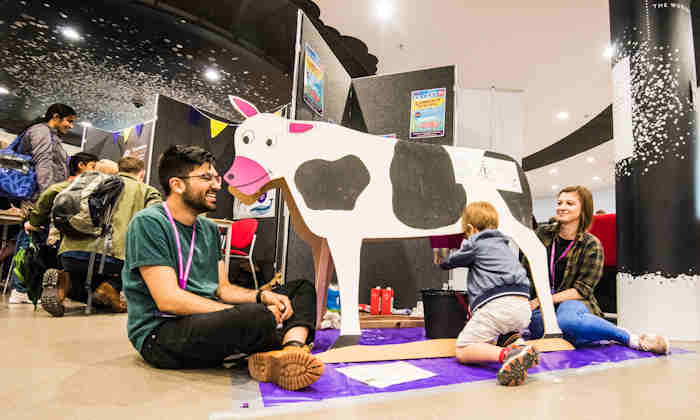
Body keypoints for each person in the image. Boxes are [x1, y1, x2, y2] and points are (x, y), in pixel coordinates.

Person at [122, 145, 323, 390]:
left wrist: (261, 295)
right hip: (162, 333)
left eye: (216, 178)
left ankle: (289, 351)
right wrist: (235, 313)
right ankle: (273, 342)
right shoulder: (149, 223)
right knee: (256, 316)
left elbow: (222, 288)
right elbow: (168, 300)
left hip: (208, 321)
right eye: (206, 178)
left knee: (299, 288)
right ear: (177, 184)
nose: (217, 185)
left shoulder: (207, 229)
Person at [527, 185, 669, 354]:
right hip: (540, 303)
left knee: (566, 322)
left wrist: (543, 300)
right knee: (539, 329)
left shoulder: (591, 244)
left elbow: (582, 290)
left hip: (573, 301)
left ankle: (630, 338)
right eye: (559, 202)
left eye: (569, 203)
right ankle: (591, 332)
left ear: (583, 210)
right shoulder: (541, 234)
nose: (562, 207)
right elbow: (525, 271)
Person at [40, 156, 162, 316]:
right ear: (142, 173)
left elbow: (51, 192)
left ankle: (65, 281)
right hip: (112, 257)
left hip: (69, 254)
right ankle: (111, 287)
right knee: (134, 269)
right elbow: (156, 221)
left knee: (82, 272)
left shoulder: (91, 181)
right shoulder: (146, 190)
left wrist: (34, 221)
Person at [439, 201, 539, 386]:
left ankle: (508, 355)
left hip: (497, 306)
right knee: (505, 334)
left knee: (463, 348)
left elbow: (448, 262)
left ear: (470, 228)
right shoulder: (504, 245)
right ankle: (520, 347)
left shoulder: (475, 242)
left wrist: (440, 255)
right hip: (523, 307)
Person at [18, 103, 76, 196]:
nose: (71, 126)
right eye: (69, 121)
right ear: (56, 117)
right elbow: (43, 163)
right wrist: (47, 194)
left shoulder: (51, 135)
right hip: (35, 194)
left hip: (40, 192)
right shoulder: (42, 131)